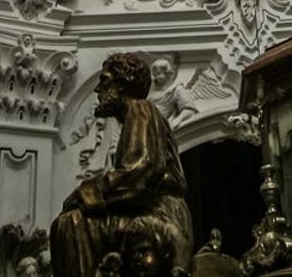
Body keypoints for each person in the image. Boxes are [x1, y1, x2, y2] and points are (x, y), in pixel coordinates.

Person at [50, 53, 193, 277]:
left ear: (123, 84)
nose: (98, 90)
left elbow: (142, 169)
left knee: (71, 223)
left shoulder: (141, 108)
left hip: (159, 214)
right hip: (148, 210)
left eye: (104, 80)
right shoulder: (135, 115)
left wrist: (90, 190)